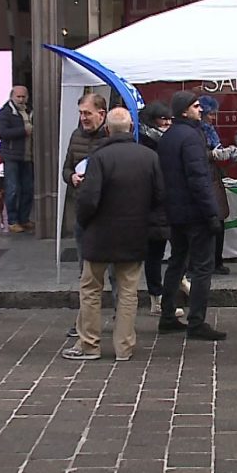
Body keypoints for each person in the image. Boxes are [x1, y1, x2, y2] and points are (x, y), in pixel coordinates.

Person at [63, 108, 164, 361]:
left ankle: (90, 344)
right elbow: (160, 196)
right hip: (134, 231)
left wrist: (84, 223)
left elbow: (88, 199)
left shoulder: (99, 157)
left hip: (100, 233)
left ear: (107, 129)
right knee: (129, 291)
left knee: (90, 289)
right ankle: (124, 347)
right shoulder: (149, 157)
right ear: (131, 128)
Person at [156, 91, 227, 341]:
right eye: (196, 106)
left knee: (177, 262)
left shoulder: (168, 137)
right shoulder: (192, 137)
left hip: (176, 212)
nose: (201, 110)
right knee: (202, 268)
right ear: (185, 110)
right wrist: (212, 214)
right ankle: (196, 321)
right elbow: (199, 179)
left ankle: (167, 315)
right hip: (195, 213)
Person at [61, 93, 109, 338]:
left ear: (102, 114)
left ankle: (118, 319)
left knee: (114, 271)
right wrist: (71, 177)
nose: (83, 118)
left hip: (107, 213)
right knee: (85, 271)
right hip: (83, 211)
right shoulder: (75, 135)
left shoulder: (112, 138)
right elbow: (66, 168)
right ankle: (84, 321)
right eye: (81, 113)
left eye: (87, 113)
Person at [138, 102, 184, 318]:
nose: (167, 123)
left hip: (167, 201)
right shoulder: (148, 142)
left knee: (173, 249)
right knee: (156, 252)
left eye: (169, 119)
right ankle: (157, 297)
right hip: (155, 203)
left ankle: (169, 290)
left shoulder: (164, 139)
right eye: (163, 119)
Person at [198, 95, 237, 275]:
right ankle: (210, 262)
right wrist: (215, 155)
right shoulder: (198, 133)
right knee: (211, 223)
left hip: (214, 179)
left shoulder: (208, 131)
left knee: (218, 222)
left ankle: (216, 261)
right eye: (211, 114)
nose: (213, 118)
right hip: (207, 180)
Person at [0, 85, 35, 233]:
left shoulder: (29, 110)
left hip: (27, 156)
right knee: (12, 188)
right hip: (12, 156)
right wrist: (23, 131)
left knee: (28, 189)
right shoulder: (6, 112)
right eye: (18, 96)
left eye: (23, 96)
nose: (21, 99)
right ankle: (12, 220)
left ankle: (23, 218)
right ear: (12, 96)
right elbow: (2, 132)